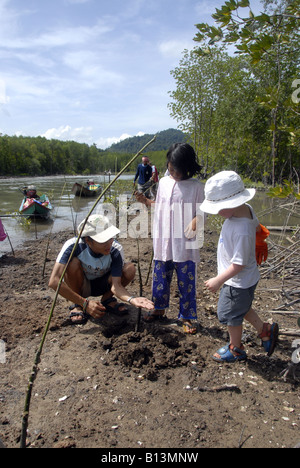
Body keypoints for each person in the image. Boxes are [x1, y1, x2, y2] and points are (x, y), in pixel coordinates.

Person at [200, 171, 279, 362]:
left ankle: (236, 348)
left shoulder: (242, 229)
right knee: (241, 308)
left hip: (238, 280)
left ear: (232, 203)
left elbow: (239, 264)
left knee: (228, 314)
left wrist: (218, 280)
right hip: (246, 278)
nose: (217, 212)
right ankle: (265, 330)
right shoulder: (246, 209)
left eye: (219, 208)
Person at [136, 143, 205, 334]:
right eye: (170, 167)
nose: (173, 172)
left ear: (188, 168)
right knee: (160, 277)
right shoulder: (165, 182)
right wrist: (147, 202)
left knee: (186, 280)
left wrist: (195, 222)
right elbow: (161, 205)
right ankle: (159, 309)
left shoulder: (196, 187)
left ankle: (187, 315)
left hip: (185, 243)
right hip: (164, 240)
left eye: (177, 170)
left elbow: (202, 212)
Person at [49, 215, 154, 324]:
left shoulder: (115, 249)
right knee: (72, 263)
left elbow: (116, 286)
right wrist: (85, 303)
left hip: (104, 284)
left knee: (129, 268)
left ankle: (106, 299)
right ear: (88, 240)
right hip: (82, 285)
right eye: (103, 241)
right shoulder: (73, 245)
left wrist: (132, 299)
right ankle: (79, 305)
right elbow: (53, 281)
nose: (109, 244)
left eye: (110, 238)